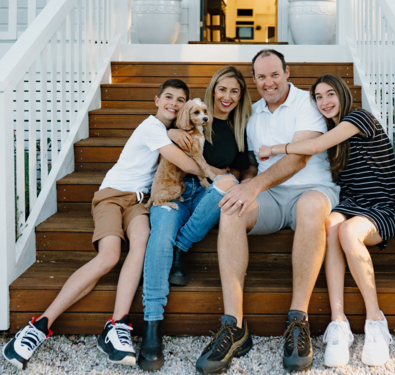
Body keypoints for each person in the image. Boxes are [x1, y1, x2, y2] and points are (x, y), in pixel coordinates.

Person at [1, 79, 225, 371]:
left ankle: (117, 324)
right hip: (112, 196)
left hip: (141, 202)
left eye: (181, 100)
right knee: (109, 256)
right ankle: (40, 324)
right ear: (157, 100)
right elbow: (187, 165)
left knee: (142, 242)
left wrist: (174, 132)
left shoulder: (175, 131)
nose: (174, 103)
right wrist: (220, 175)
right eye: (168, 97)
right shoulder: (151, 128)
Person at [195, 50, 340, 374]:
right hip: (271, 195)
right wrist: (243, 184)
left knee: (312, 207)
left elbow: (298, 158)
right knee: (231, 208)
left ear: (287, 72)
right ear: (255, 80)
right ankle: (234, 325)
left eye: (274, 74)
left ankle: (297, 320)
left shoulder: (307, 103)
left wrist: (253, 186)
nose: (268, 82)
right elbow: (253, 165)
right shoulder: (254, 113)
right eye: (261, 77)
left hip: (312, 188)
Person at [259, 74, 395, 367]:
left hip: (383, 208)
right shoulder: (334, 134)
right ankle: (339, 323)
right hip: (351, 204)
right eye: (318, 97)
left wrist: (275, 149)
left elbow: (312, 147)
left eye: (329, 94)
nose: (324, 102)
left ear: (342, 94)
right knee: (330, 226)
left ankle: (375, 321)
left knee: (350, 232)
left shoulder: (359, 118)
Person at [138, 66, 252, 371]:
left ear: (241, 97)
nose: (227, 97)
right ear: (213, 89)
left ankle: (181, 247)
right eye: (222, 89)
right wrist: (173, 130)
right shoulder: (190, 113)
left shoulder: (240, 128)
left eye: (234, 91)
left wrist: (237, 177)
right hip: (172, 186)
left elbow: (241, 170)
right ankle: (152, 326)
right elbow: (167, 126)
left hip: (205, 193)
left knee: (230, 187)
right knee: (159, 234)